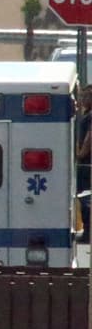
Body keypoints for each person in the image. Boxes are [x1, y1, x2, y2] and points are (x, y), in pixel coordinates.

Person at [77, 86, 92, 240]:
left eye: (85, 97)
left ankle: (88, 233)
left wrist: (81, 154)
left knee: (86, 197)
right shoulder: (86, 114)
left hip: (87, 164)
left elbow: (90, 136)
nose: (82, 100)